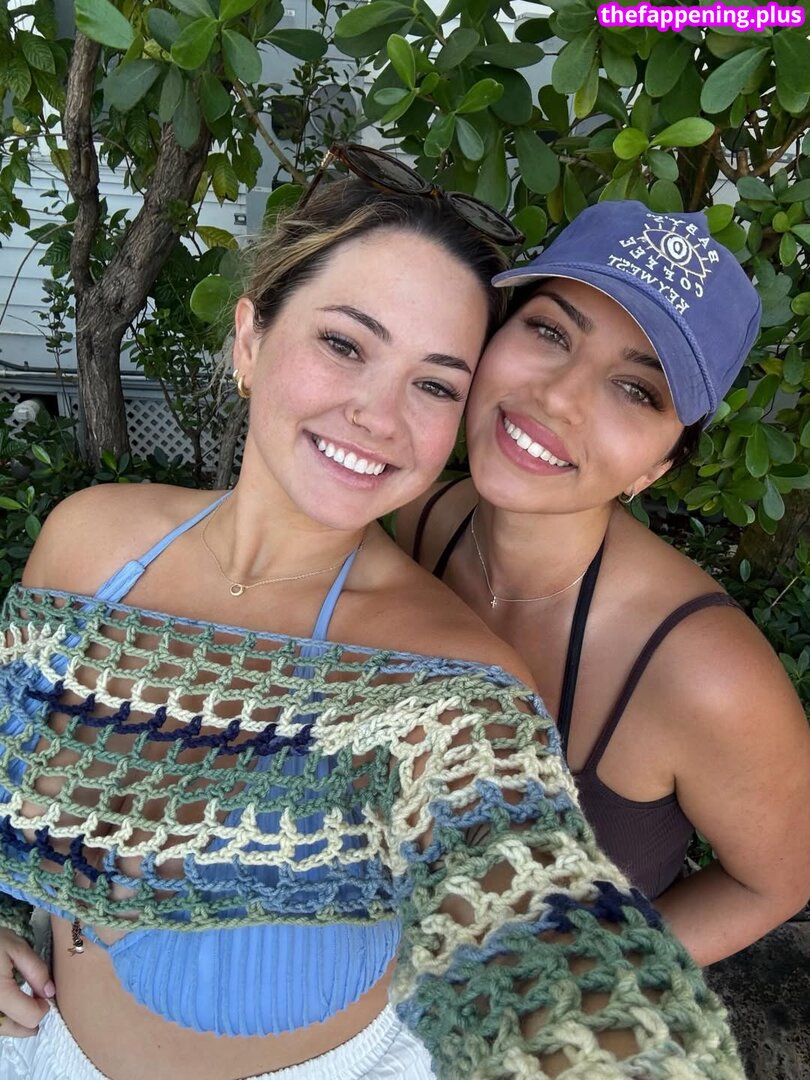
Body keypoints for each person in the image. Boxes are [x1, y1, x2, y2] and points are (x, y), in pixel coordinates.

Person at [0, 159, 744, 1080]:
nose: (376, 414)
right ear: (249, 336)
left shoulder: (452, 684)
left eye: (434, 385)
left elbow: (522, 903)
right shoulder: (87, 544)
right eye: (345, 344)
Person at [398, 200, 810, 969]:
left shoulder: (705, 675)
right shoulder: (416, 519)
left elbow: (777, 882)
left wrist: (584, 978)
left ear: (658, 467)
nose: (560, 396)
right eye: (550, 332)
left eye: (636, 390)